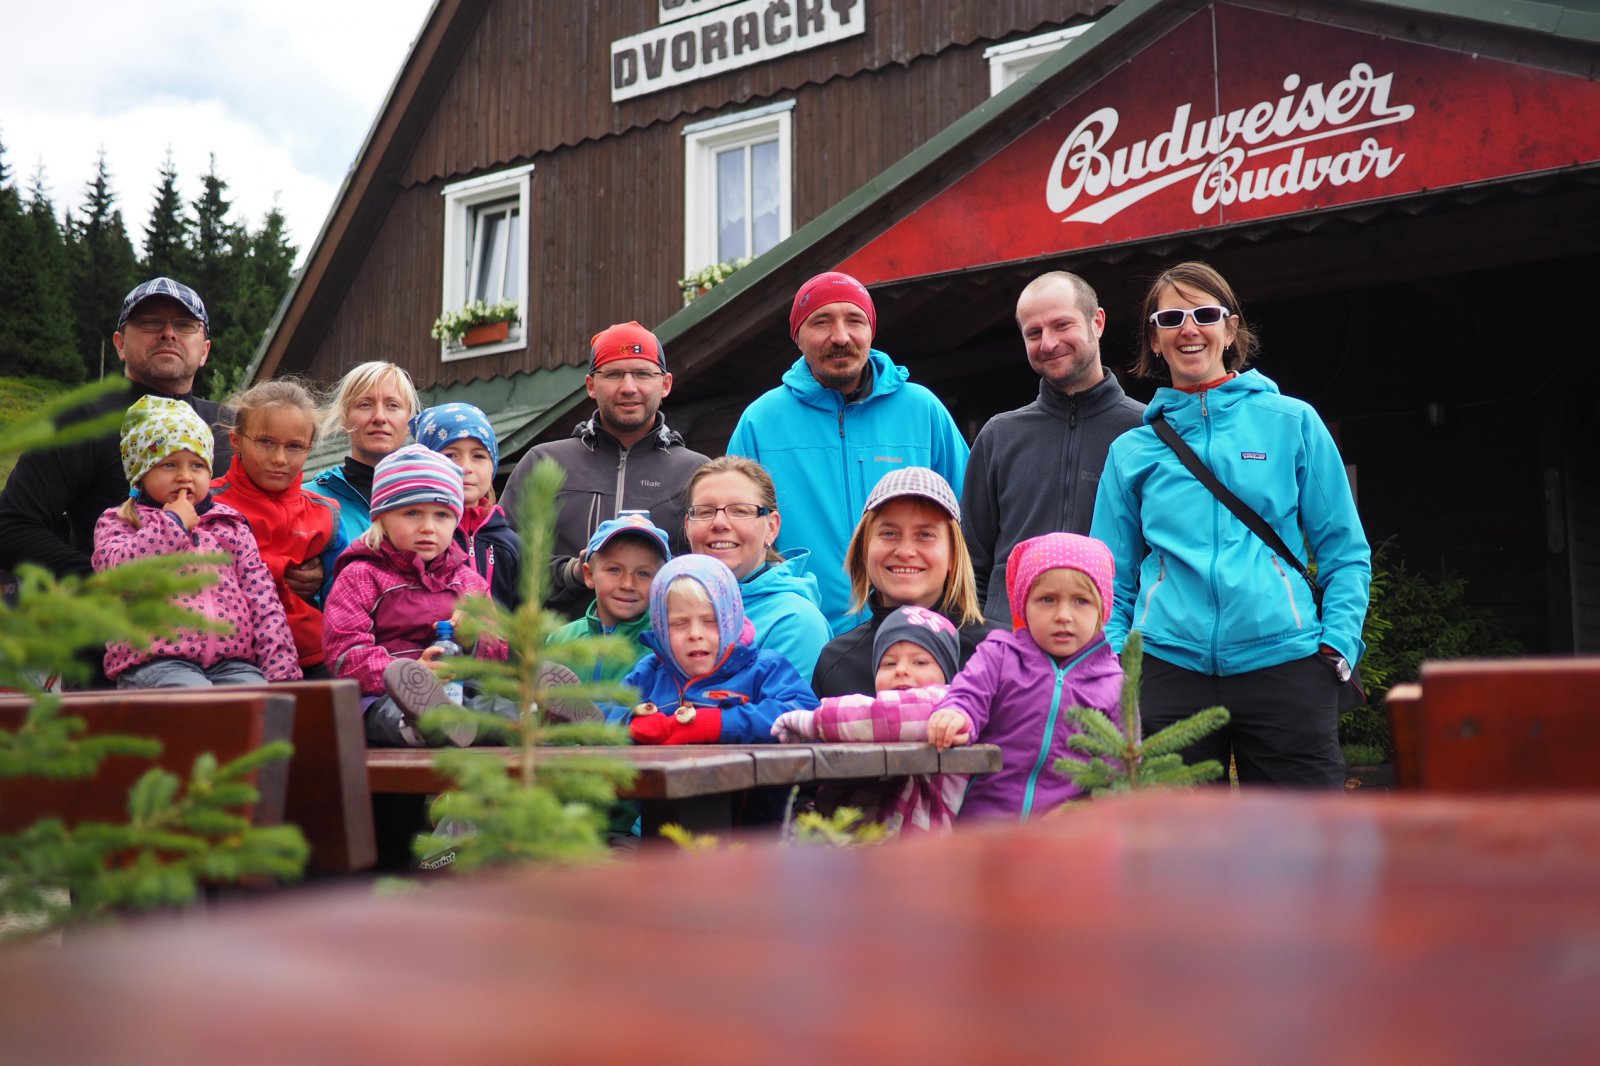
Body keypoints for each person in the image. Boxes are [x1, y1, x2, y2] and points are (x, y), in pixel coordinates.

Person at [1090, 261, 1371, 788]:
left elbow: (1345, 550)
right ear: (1153, 339)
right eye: (1170, 318)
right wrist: (1115, 664)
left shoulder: (1293, 422)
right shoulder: (1131, 451)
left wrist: (1338, 644)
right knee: (1175, 840)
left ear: (1231, 327)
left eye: (1204, 314)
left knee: (1305, 835)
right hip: (1166, 668)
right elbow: (1107, 576)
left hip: (1286, 662)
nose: (1188, 328)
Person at [726, 271, 970, 634]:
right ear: (797, 337)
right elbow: (736, 536)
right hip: (802, 637)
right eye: (821, 322)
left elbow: (969, 520)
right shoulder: (760, 421)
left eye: (854, 320)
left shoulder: (922, 410)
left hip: (917, 636)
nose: (840, 337)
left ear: (871, 331)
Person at [0, 277, 236, 583]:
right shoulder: (83, 421)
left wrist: (294, 570)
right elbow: (11, 526)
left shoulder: (231, 427)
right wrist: (104, 583)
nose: (168, 333)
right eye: (149, 321)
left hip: (230, 609)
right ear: (120, 344)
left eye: (185, 324)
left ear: (204, 351)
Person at [962, 271, 1146, 626]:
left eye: (1062, 325)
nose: (1048, 343)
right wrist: (985, 637)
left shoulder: (1145, 433)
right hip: (1009, 645)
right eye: (1034, 333)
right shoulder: (998, 436)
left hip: (1110, 644)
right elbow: (970, 565)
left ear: (1097, 322)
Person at [500, 321, 708, 619]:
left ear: (665, 384)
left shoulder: (696, 472)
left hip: (661, 642)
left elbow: (709, 566)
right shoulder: (543, 463)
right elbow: (504, 558)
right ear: (590, 385)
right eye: (613, 374)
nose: (628, 387)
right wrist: (572, 572)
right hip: (557, 642)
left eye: (642, 373)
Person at [92, 395, 300, 688]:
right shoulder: (121, 522)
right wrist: (172, 524)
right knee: (194, 698)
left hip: (232, 663)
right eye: (169, 465)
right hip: (155, 663)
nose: (185, 477)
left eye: (197, 466)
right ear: (141, 474)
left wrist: (281, 672)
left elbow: (262, 600)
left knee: (259, 700)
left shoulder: (229, 525)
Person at [322, 444, 516, 747]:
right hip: (383, 694)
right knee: (380, 712)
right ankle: (417, 726)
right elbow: (345, 653)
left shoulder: (467, 580)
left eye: (442, 515)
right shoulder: (361, 574)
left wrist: (473, 640)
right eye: (412, 513)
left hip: (458, 690)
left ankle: (537, 717)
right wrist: (411, 675)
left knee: (492, 705)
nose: (428, 527)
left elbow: (498, 651)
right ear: (382, 517)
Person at [926, 533, 1123, 821]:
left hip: (1065, 834)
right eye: (1047, 599)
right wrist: (956, 714)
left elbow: (1121, 769)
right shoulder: (999, 655)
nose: (1063, 615)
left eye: (1081, 601)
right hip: (985, 825)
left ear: (1102, 610)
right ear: (1023, 604)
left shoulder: (1112, 683)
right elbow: (968, 694)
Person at [771, 605, 969, 834]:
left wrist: (812, 722)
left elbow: (888, 716)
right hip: (867, 839)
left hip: (924, 844)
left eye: (920, 662)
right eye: (889, 663)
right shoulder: (868, 722)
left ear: (947, 673)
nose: (901, 670)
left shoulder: (943, 703)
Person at [810, 467, 993, 699]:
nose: (905, 551)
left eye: (925, 535)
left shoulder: (998, 653)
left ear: (953, 555)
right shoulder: (837, 664)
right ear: (864, 550)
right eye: (889, 533)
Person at [211, 379, 347, 677]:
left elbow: (345, 597)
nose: (279, 459)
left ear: (309, 448)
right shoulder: (206, 506)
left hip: (311, 656)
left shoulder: (326, 515)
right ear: (236, 440)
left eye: (294, 446)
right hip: (228, 661)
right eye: (265, 442)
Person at [615, 555, 819, 746]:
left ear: (732, 621)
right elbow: (603, 712)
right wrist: (631, 723)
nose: (695, 634)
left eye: (710, 621)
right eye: (679, 623)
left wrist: (717, 724)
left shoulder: (764, 668)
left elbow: (804, 712)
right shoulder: (650, 673)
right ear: (660, 630)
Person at [682, 457, 831, 680]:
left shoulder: (795, 622)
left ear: (772, 527)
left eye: (740, 511)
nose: (719, 523)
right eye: (705, 512)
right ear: (688, 527)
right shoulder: (668, 608)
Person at [411, 402, 523, 610]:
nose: (465, 468)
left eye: (478, 456)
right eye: (451, 455)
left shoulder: (512, 545)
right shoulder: (416, 537)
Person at [546, 513, 672, 684]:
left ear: (660, 582)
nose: (628, 584)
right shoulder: (560, 639)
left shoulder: (665, 649)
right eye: (614, 570)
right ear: (589, 575)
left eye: (643, 573)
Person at [313, 361, 421, 550]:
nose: (379, 417)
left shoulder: (430, 499)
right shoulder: (310, 501)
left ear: (410, 422)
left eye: (392, 405)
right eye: (365, 405)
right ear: (344, 418)